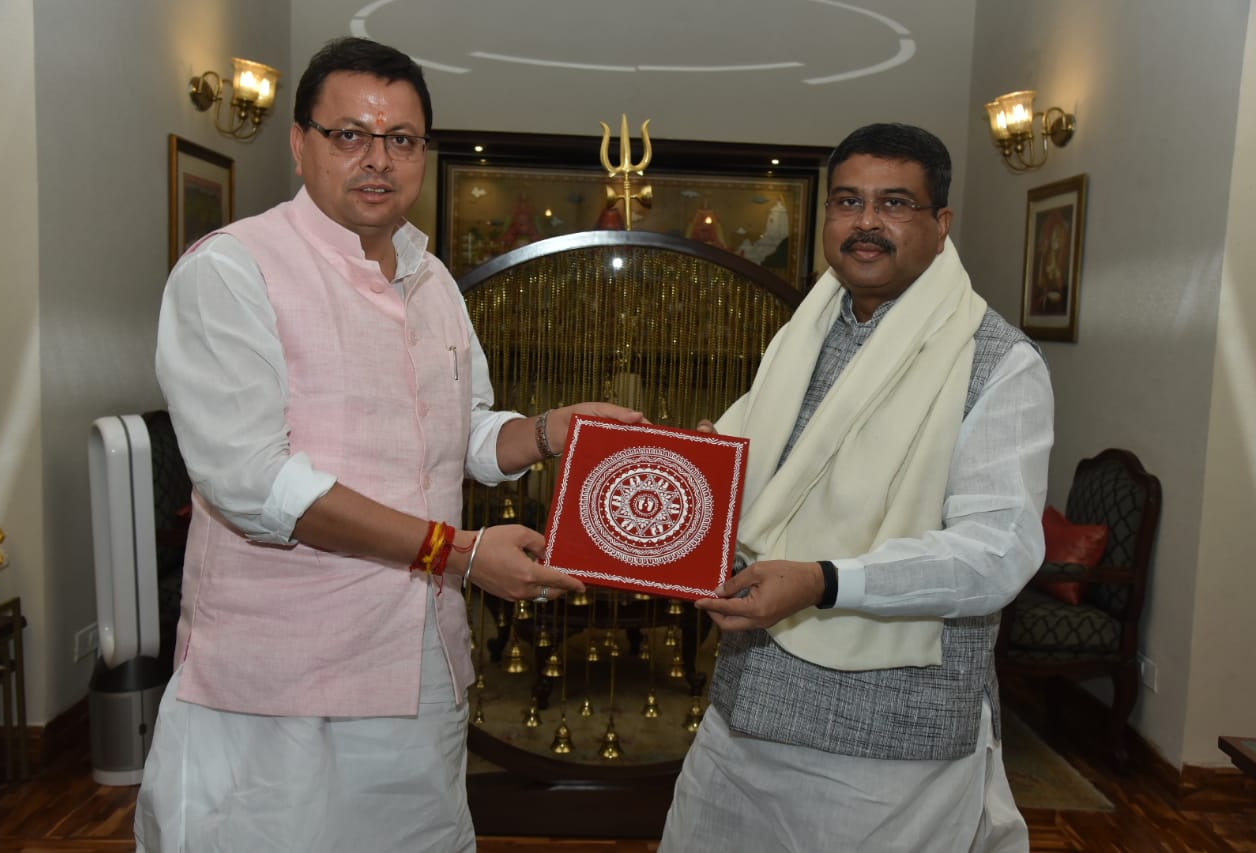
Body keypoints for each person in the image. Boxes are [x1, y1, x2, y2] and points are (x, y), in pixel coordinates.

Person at [134, 36, 644, 853]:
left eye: (401, 139)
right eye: (350, 134)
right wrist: (458, 552)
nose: (378, 159)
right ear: (299, 142)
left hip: (418, 667)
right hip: (281, 681)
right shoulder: (232, 270)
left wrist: (553, 431)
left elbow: (463, 431)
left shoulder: (431, 279)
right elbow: (255, 484)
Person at [660, 123, 1053, 852]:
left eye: (895, 203)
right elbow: (756, 474)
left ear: (941, 224)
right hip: (748, 705)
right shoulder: (803, 333)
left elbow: (997, 553)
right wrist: (681, 473)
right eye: (848, 201)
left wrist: (824, 580)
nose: (866, 221)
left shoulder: (996, 361)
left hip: (891, 736)